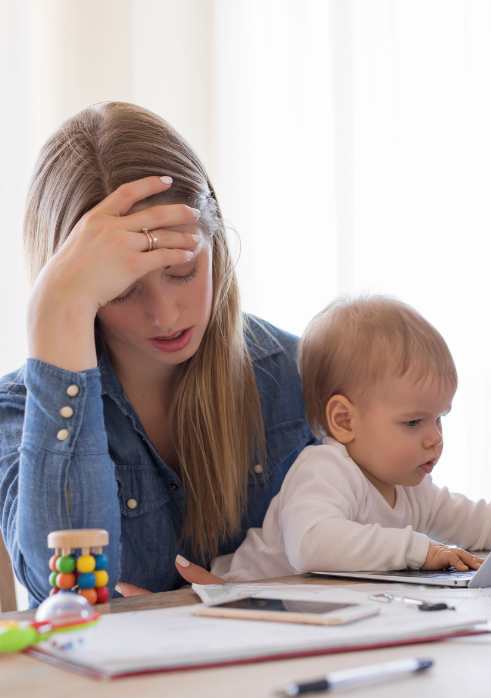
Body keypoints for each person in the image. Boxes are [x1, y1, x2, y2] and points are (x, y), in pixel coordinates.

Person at [0, 101, 315, 607]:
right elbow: (66, 595)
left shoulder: (292, 371)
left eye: (182, 271)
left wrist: (248, 601)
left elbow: (375, 553)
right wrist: (52, 312)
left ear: (215, 243)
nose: (165, 316)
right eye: (123, 290)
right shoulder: (20, 409)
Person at [209, 295, 491, 582]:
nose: (435, 439)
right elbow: (311, 544)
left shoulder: (410, 487)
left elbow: (476, 521)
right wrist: (419, 550)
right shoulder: (324, 470)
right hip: (238, 605)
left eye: (439, 418)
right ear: (345, 420)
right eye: (414, 422)